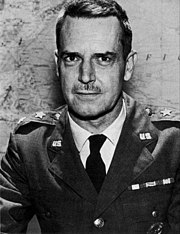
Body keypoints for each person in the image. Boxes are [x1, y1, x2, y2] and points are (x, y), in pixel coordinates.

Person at [0, 0, 180, 233]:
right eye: (72, 58)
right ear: (57, 65)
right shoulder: (29, 145)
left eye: (104, 59)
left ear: (128, 66)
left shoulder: (172, 143)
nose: (86, 76)